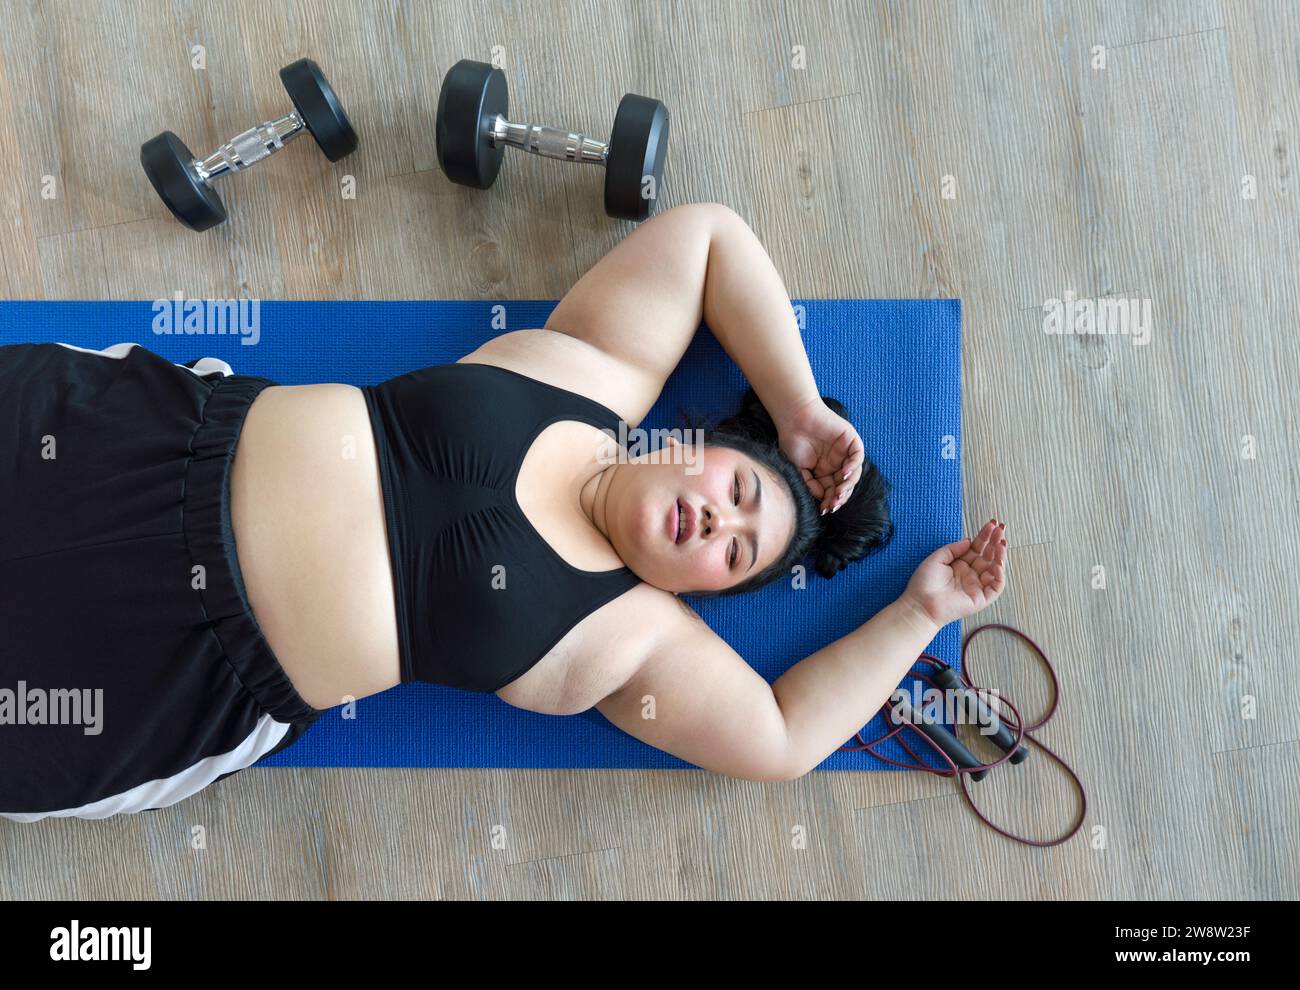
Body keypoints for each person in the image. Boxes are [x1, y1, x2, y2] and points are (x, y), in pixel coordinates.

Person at [0, 203, 1006, 821]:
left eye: (739, 558)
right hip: (145, 449)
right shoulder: (593, 374)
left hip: (171, 669)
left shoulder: (636, 639)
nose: (721, 526)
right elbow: (709, 238)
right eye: (738, 493)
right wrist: (798, 413)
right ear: (698, 447)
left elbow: (784, 740)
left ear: (712, 593)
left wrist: (921, 611)